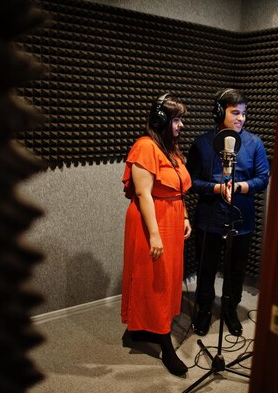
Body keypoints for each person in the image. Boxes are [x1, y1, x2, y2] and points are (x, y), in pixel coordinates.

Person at [187, 88, 270, 337]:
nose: (241, 118)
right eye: (236, 113)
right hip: (209, 219)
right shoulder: (201, 144)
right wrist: (216, 187)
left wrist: (241, 186)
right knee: (206, 268)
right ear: (219, 112)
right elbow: (190, 181)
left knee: (236, 270)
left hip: (241, 220)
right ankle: (203, 310)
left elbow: (262, 178)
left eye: (244, 114)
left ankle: (230, 310)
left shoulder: (254, 143)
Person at [121, 93, 192, 376]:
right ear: (161, 119)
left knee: (166, 278)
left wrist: (185, 215)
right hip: (153, 221)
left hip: (172, 219)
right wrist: (154, 234)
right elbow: (143, 194)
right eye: (176, 119)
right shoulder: (145, 147)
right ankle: (165, 343)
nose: (181, 125)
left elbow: (177, 187)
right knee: (155, 280)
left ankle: (143, 327)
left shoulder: (169, 149)